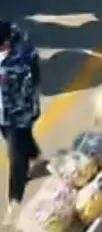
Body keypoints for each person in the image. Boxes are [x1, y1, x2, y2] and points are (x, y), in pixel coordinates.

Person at [0, 21, 42, 217]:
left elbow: (33, 80)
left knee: (16, 157)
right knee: (21, 141)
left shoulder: (21, 56)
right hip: (3, 114)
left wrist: (29, 110)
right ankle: (34, 155)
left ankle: (14, 203)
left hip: (18, 113)